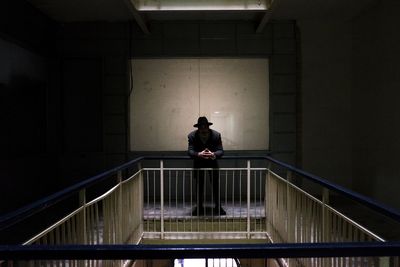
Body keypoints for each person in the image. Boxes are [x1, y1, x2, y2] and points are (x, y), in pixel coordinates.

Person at [188, 116, 226, 216]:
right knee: (199, 187)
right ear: (198, 128)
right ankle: (199, 207)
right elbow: (190, 151)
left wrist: (213, 154)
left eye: (205, 126)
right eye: (201, 127)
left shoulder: (216, 135)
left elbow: (221, 151)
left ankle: (218, 207)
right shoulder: (192, 136)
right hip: (199, 164)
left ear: (208, 126)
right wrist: (198, 154)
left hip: (212, 163)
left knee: (216, 186)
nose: (203, 128)